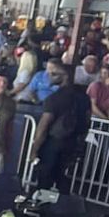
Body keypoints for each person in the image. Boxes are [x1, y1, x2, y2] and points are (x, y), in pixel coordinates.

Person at [32, 62, 90, 190]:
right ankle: (61, 199)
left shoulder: (54, 99)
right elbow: (87, 121)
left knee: (45, 177)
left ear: (65, 76)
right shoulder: (84, 98)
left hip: (54, 142)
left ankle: (42, 200)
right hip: (73, 142)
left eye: (53, 74)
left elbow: (43, 126)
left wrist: (35, 149)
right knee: (61, 176)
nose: (49, 76)